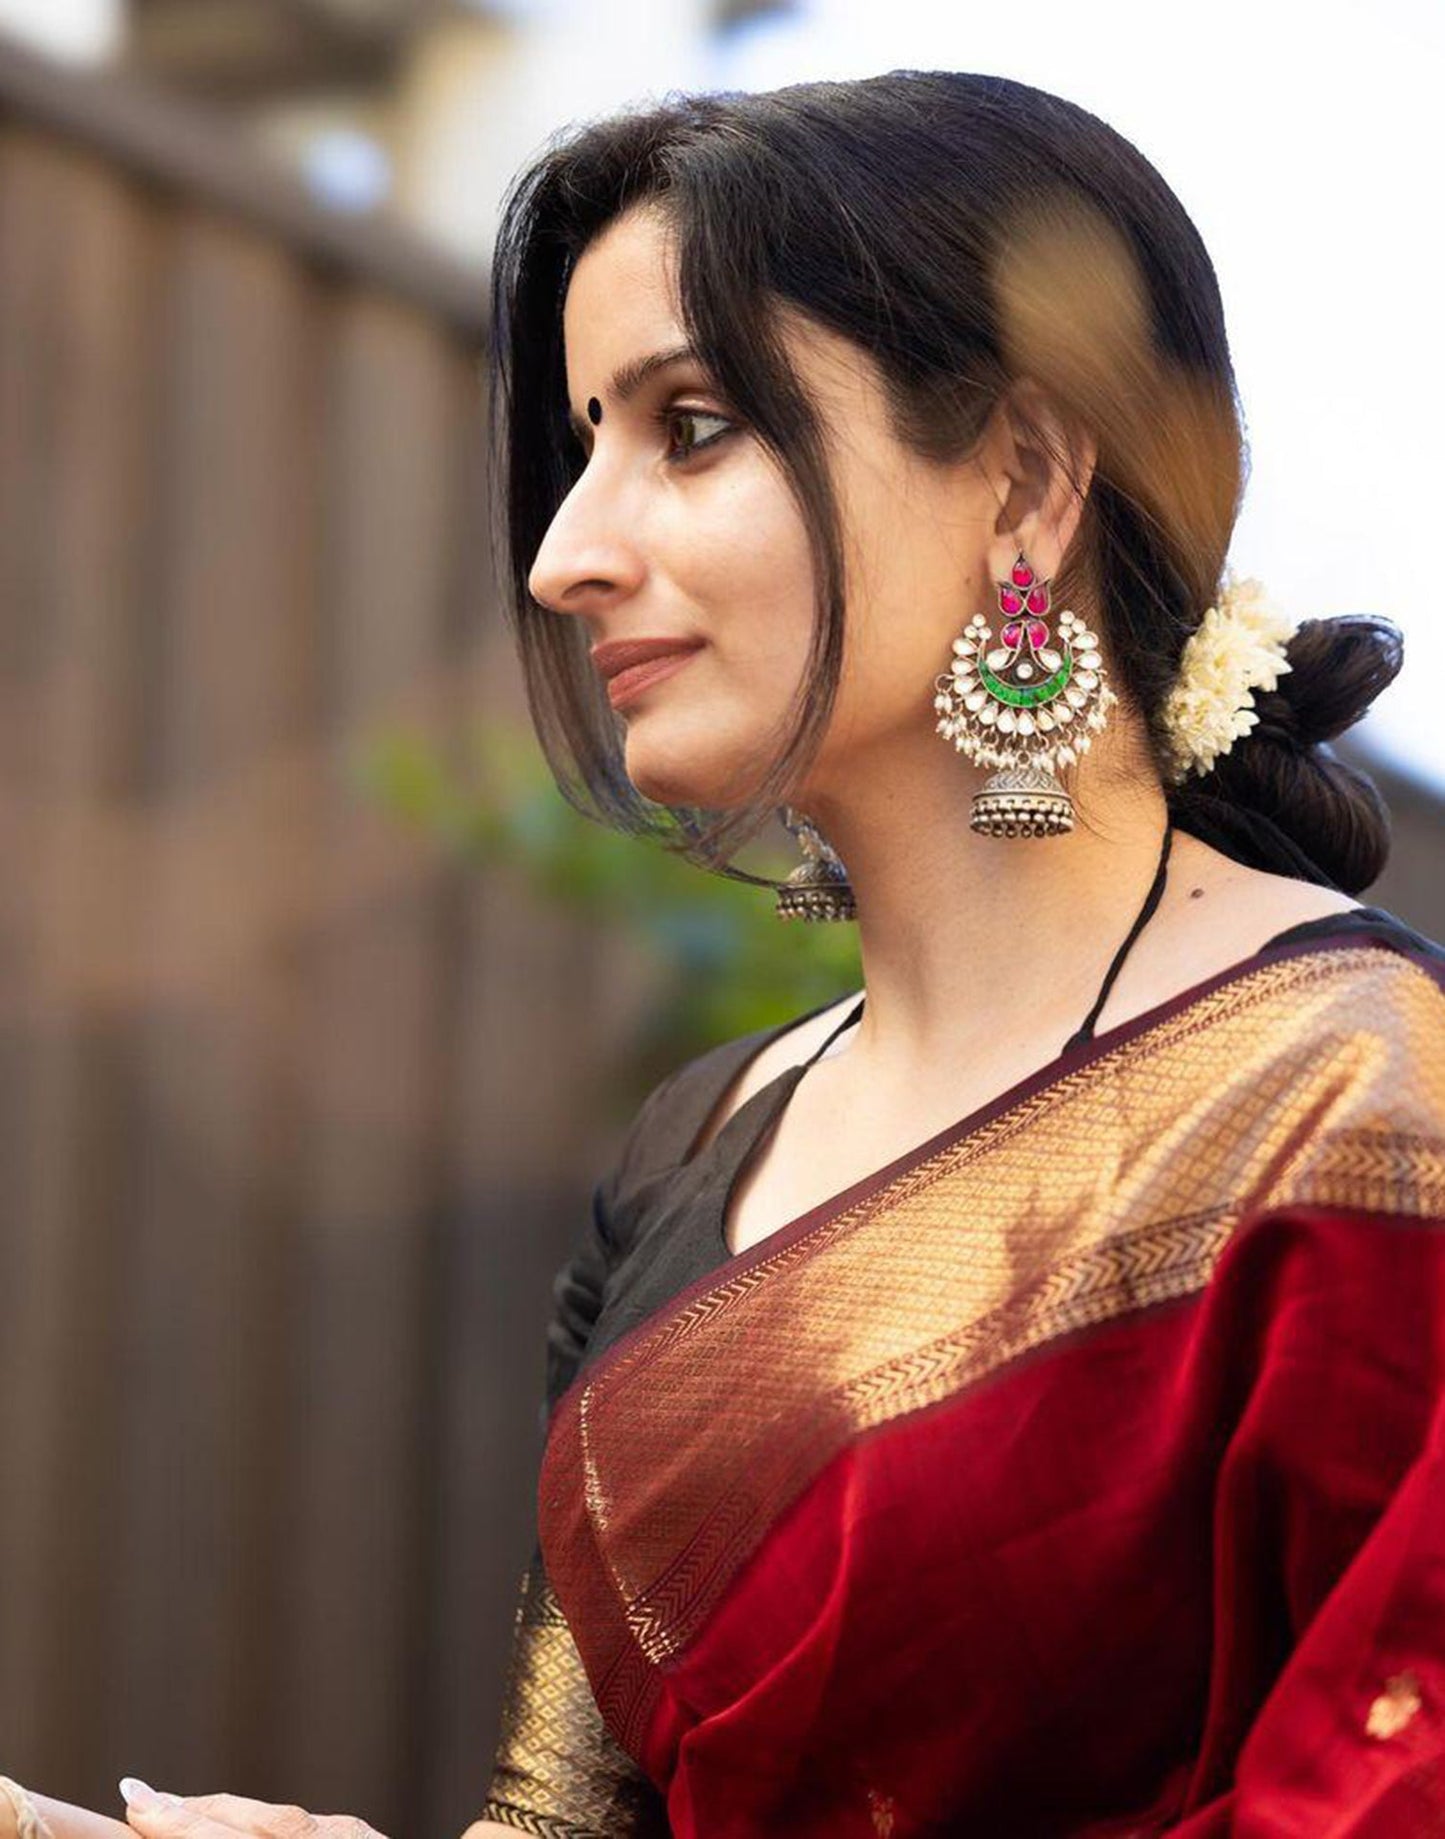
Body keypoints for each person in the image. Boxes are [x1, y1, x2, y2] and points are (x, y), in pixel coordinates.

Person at [7, 66, 1442, 1839]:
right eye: (582, 443)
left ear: (1024, 479)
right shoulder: (697, 1151)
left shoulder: (1360, 1099)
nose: (562, 556)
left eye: (688, 427)